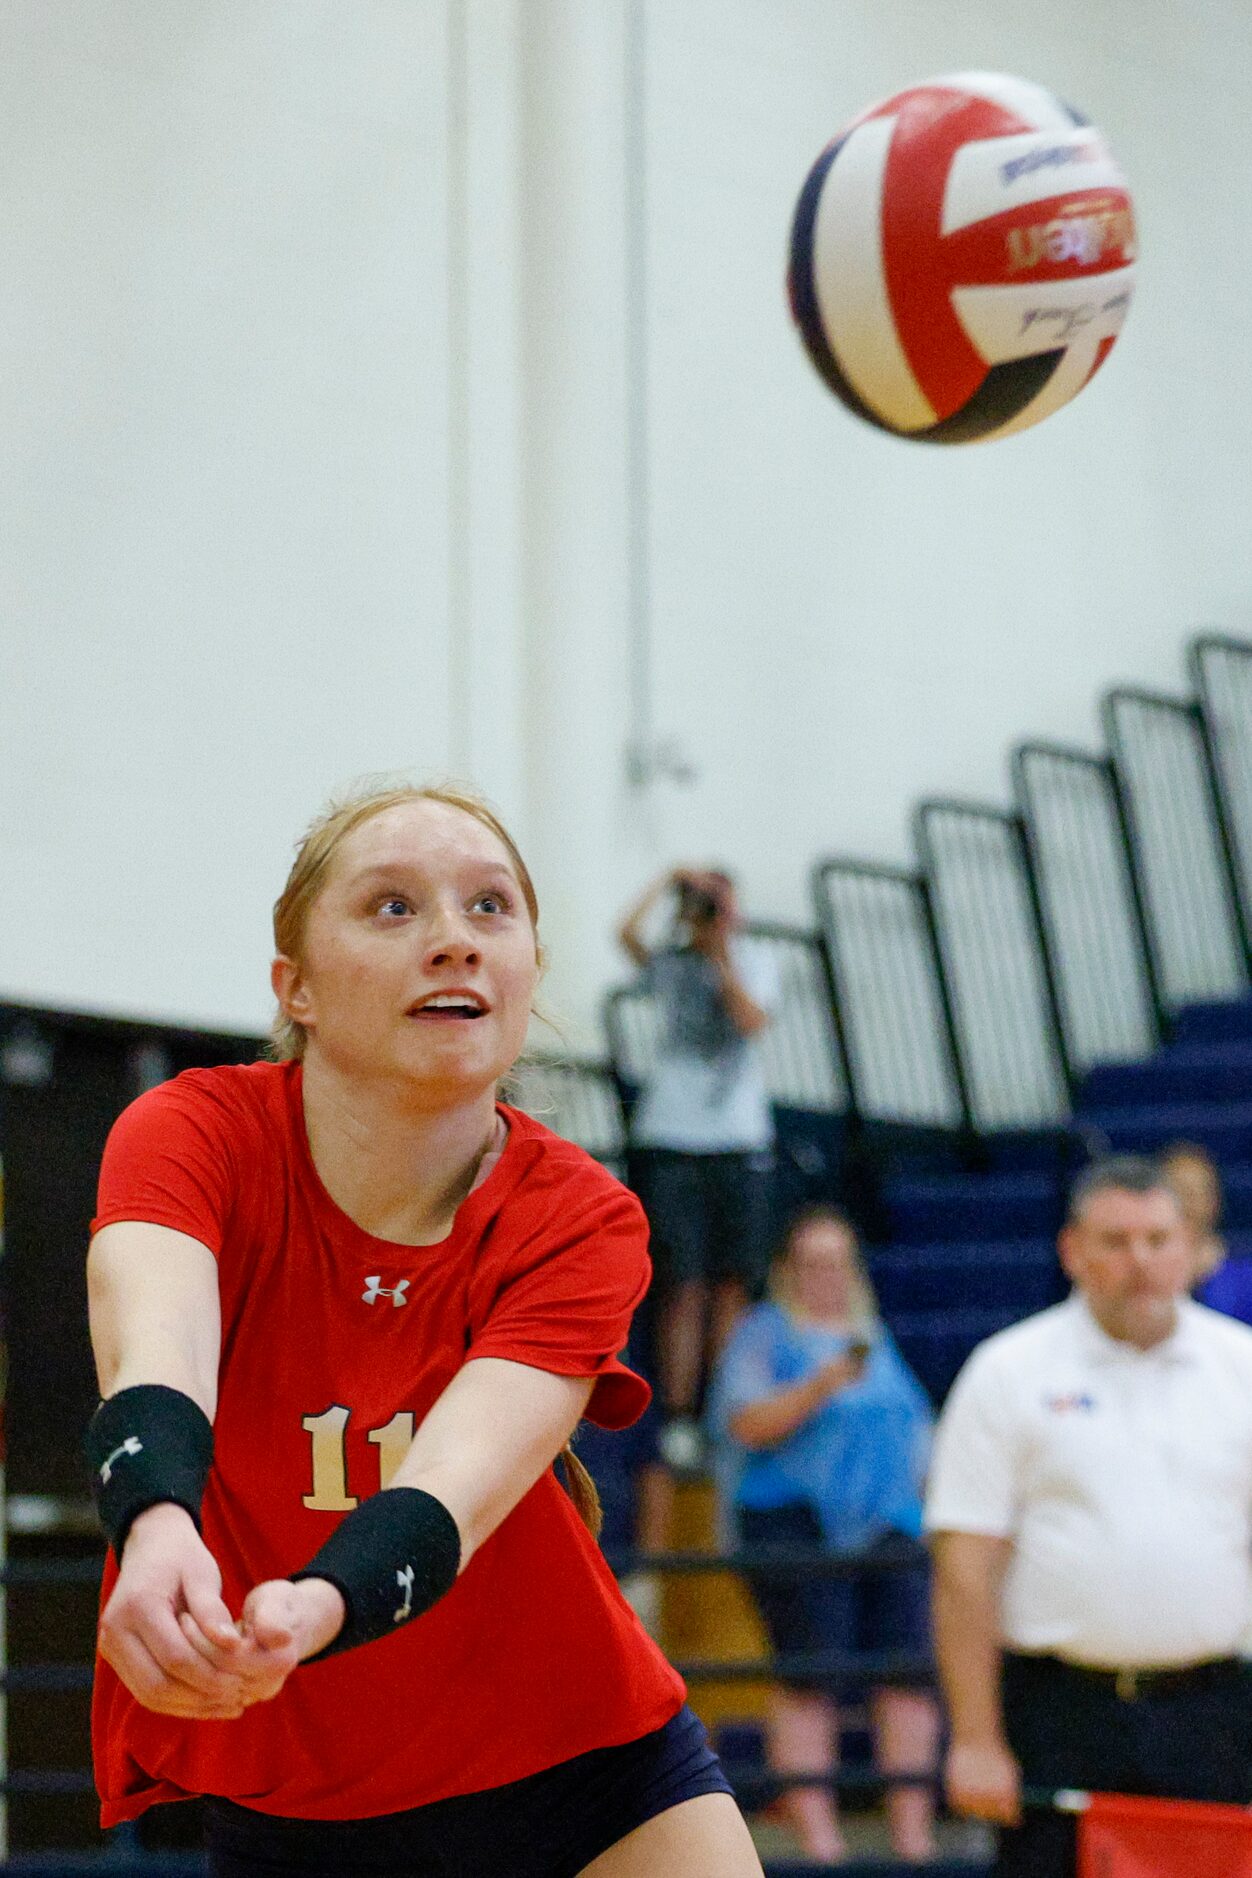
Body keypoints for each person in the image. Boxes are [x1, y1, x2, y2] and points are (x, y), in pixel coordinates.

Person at [85, 783, 766, 1878]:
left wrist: (312, 1608)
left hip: (588, 1771)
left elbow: (456, 1484)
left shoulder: (581, 1214)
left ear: (530, 970)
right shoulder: (192, 1134)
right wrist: (158, 1527)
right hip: (299, 1800)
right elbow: (155, 1353)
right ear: (294, 987)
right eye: (393, 909)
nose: (453, 941)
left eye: (489, 908)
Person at [926, 1155, 1252, 1878]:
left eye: (1158, 1239)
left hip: (1218, 1712)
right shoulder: (1007, 1371)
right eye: (1116, 1241)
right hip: (1061, 1712)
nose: (1141, 1260)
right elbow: (964, 1572)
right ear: (1072, 1250)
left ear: (1192, 1245)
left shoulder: (1242, 1369)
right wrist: (976, 1739)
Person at [708, 1206, 938, 1865]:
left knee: (907, 1672)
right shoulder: (762, 1333)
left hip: (888, 1524)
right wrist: (819, 1386)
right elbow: (745, 1423)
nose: (825, 1276)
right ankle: (820, 1843)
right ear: (786, 1270)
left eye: (837, 1261)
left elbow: (912, 1426)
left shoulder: (873, 1333)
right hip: (791, 1522)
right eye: (811, 1262)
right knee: (811, 1675)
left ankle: (913, 1837)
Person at [617, 867, 779, 1469]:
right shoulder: (672, 961)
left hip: (738, 1141)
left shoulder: (756, 958)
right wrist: (664, 881)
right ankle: (681, 1415)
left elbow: (750, 1020)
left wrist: (721, 954)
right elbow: (625, 934)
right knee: (681, 1283)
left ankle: (722, 1406)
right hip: (673, 1138)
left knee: (733, 1281)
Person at [1158, 1139, 1226, 1286]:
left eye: (1197, 1192)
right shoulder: (1137, 1268)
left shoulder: (1243, 1279)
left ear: (1214, 1201)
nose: (1188, 1202)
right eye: (1179, 1190)